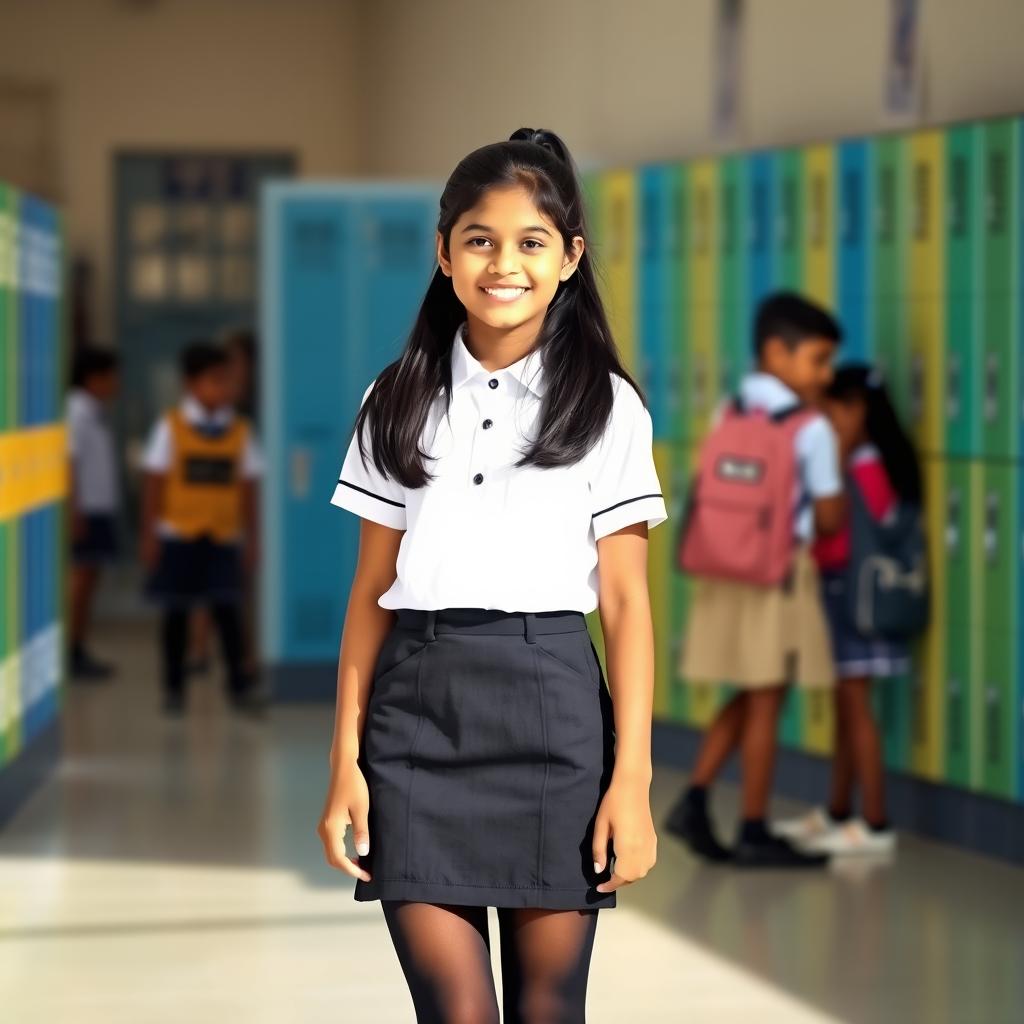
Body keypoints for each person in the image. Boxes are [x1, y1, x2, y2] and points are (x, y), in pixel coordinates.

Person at [317, 128, 666, 1022]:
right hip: (417, 717)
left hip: (550, 707)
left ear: (569, 259)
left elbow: (625, 605)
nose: (502, 263)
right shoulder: (393, 396)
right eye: (479, 239)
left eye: (531, 242)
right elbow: (369, 595)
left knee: (550, 1011)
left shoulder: (607, 405)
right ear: (443, 253)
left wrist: (633, 781)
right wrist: (344, 763)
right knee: (454, 1012)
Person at [667, 292, 845, 868]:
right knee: (767, 698)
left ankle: (694, 798)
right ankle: (753, 826)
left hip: (725, 565)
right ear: (777, 352)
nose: (825, 375)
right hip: (776, 575)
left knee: (747, 691)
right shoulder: (811, 428)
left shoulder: (732, 408)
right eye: (818, 361)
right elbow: (828, 516)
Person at [774, 363, 920, 856]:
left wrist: (834, 452)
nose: (823, 420)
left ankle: (875, 822)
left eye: (832, 411)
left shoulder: (864, 463)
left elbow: (865, 526)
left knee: (856, 707)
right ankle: (838, 811)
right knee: (845, 707)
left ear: (857, 410)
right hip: (837, 592)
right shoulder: (857, 457)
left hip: (858, 598)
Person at [139, 340, 263, 716]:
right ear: (191, 385)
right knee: (175, 615)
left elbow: (248, 488)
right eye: (215, 381)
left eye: (227, 381)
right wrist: (149, 534)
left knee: (228, 613)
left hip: (224, 538)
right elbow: (155, 484)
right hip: (178, 537)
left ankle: (239, 687)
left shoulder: (240, 431)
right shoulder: (171, 428)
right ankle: (173, 689)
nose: (224, 389)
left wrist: (252, 539)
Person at [67, 346, 121, 681]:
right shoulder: (75, 411)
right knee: (81, 581)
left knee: (91, 580)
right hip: (85, 509)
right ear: (93, 378)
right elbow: (67, 462)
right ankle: (71, 649)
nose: (116, 384)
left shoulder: (94, 410)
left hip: (99, 507)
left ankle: (79, 645)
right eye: (111, 377)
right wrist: (74, 511)